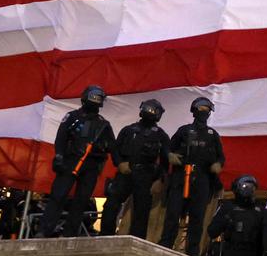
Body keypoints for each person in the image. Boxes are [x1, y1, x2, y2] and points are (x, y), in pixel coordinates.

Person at [39, 84, 115, 237]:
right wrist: (59, 156)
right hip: (70, 161)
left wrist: (100, 147)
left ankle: (70, 234)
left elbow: (112, 146)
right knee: (58, 196)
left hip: (91, 165)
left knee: (81, 201)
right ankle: (44, 231)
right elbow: (61, 137)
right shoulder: (72, 117)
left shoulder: (103, 124)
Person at [160, 96, 226, 256]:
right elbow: (167, 148)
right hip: (181, 177)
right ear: (194, 110)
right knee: (173, 215)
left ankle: (192, 253)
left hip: (202, 179)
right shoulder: (183, 130)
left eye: (207, 109)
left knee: (197, 218)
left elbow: (221, 157)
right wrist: (170, 156)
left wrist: (218, 165)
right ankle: (165, 247)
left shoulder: (212, 134)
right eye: (201, 108)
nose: (204, 112)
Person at [100, 98, 171, 239]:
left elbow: (165, 161)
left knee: (141, 211)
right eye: (147, 108)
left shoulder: (161, 135)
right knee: (111, 205)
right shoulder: (128, 130)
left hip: (146, 176)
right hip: (125, 172)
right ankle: (105, 236)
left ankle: (135, 241)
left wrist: (159, 180)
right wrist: (120, 163)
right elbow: (115, 149)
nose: (149, 112)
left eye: (153, 110)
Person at [209, 174, 264, 256]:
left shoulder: (259, 209)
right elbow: (212, 231)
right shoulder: (228, 207)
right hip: (232, 252)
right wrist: (227, 219)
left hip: (252, 255)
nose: (249, 190)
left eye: (251, 187)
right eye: (245, 187)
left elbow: (266, 234)